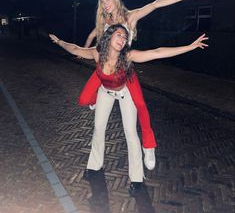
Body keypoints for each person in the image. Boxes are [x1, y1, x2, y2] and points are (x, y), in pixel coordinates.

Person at [49, 24, 208, 193]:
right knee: (98, 128)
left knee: (130, 133)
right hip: (105, 92)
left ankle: (137, 178)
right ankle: (94, 166)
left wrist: (190, 46)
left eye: (125, 38)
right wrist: (58, 41)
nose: (122, 40)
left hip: (125, 94)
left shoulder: (128, 56)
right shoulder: (97, 53)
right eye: (119, 35)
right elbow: (74, 48)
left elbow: (157, 52)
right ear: (109, 36)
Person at [78, 0, 202, 170]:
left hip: (123, 69)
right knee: (85, 99)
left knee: (141, 105)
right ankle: (96, 100)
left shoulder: (130, 17)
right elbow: (93, 34)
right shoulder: (104, 20)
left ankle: (149, 146)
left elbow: (155, 4)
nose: (105, 4)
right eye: (102, 1)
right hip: (104, 69)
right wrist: (85, 47)